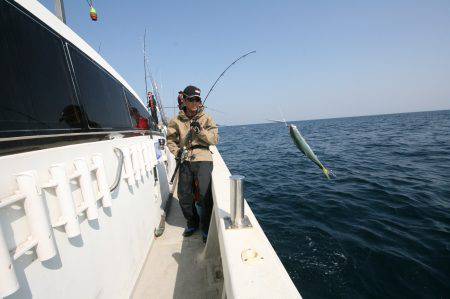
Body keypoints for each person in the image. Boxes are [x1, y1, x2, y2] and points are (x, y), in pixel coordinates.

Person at [167, 85, 218, 243]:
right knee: (183, 194)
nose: (196, 102)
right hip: (185, 158)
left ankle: (206, 226)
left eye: (198, 99)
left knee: (204, 194)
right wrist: (177, 153)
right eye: (192, 99)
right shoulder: (176, 121)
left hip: (203, 156)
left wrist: (200, 131)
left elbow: (214, 139)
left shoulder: (206, 118)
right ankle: (192, 222)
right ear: (185, 100)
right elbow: (171, 141)